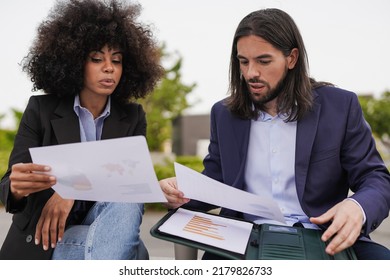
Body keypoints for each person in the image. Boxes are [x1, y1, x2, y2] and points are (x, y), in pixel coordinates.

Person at [160, 8, 390, 260]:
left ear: (291, 58)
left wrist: (357, 206)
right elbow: (216, 183)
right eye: (243, 61)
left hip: (323, 235)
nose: (250, 73)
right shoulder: (224, 114)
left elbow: (375, 178)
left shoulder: (340, 106)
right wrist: (178, 192)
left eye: (263, 61)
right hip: (243, 238)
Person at [0, 0, 163, 260]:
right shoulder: (40, 109)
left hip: (101, 231)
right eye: (96, 58)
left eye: (117, 60)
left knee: (127, 196)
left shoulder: (132, 117)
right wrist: (18, 188)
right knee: (132, 251)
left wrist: (72, 190)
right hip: (47, 240)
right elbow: (9, 186)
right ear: (75, 62)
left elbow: (129, 182)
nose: (109, 67)